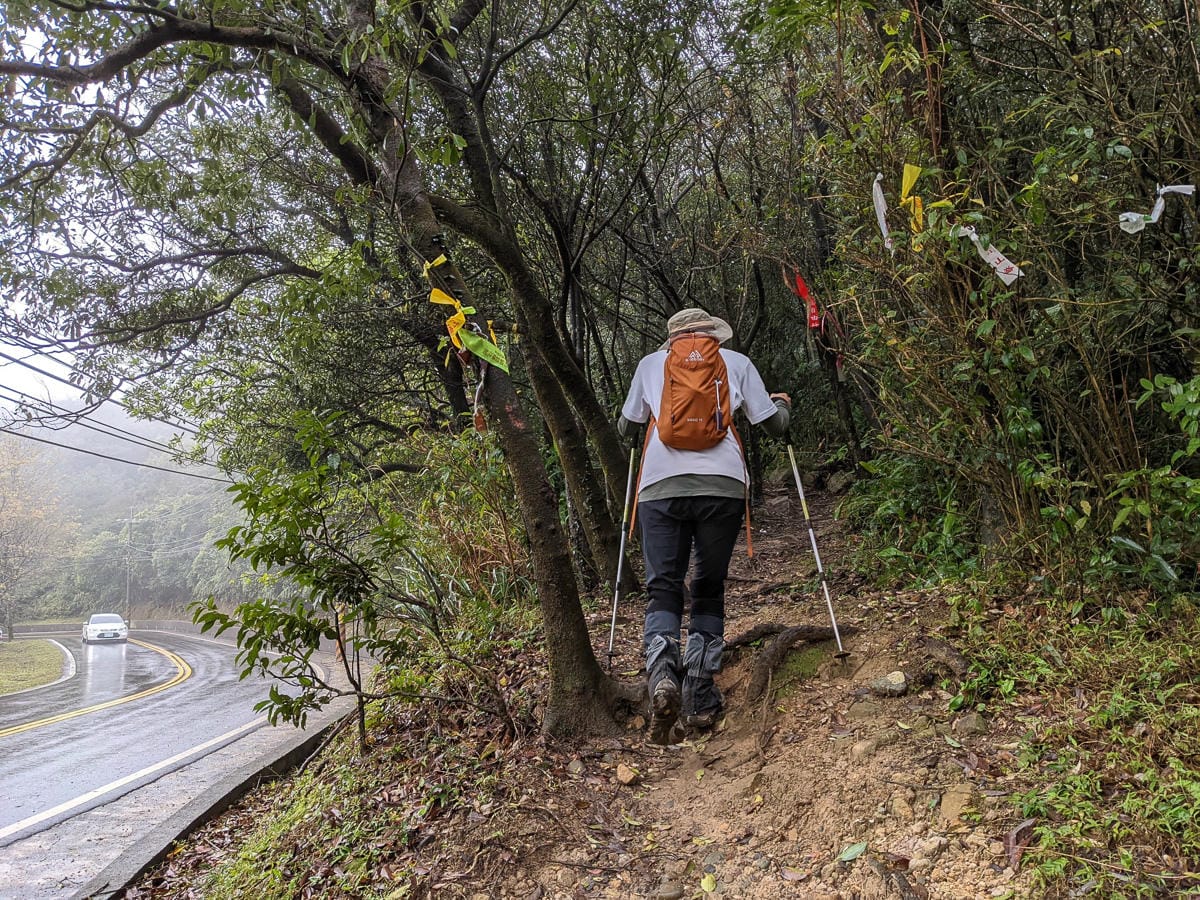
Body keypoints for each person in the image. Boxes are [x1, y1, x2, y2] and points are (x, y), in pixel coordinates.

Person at [619, 308, 791, 744]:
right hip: (723, 486)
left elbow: (626, 427)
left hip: (660, 488)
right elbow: (773, 426)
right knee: (709, 586)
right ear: (713, 335)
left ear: (673, 339)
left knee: (664, 585)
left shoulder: (650, 365)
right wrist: (783, 405)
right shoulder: (736, 363)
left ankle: (662, 677)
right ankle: (700, 694)